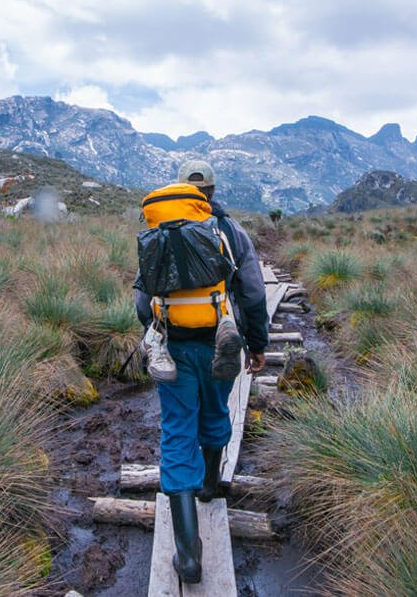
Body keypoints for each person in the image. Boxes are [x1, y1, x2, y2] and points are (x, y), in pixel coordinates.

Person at [134, 159, 268, 584]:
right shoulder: (229, 230)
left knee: (176, 433)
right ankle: (210, 486)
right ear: (210, 189)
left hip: (174, 346)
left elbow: (142, 298)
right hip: (220, 340)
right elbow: (252, 288)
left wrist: (157, 330)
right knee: (216, 410)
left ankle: (188, 555)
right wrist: (258, 343)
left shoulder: (160, 232)